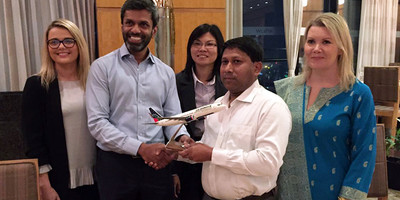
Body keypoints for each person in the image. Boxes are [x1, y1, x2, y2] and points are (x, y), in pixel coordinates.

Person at [85, 0, 192, 199]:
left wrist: (180, 137)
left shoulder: (166, 73)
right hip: (115, 167)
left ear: (154, 30)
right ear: (122, 26)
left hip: (157, 166)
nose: (135, 29)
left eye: (143, 24)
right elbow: (97, 123)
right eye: (129, 23)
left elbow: (172, 119)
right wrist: (141, 149)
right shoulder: (101, 68)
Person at [274, 13, 377, 200]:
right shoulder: (286, 89)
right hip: (284, 193)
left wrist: (348, 197)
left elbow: (365, 154)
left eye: (326, 42)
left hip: (332, 193)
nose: (316, 48)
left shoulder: (358, 94)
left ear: (341, 48)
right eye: (311, 41)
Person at [179, 36, 292, 200]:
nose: (227, 69)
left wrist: (211, 154)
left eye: (237, 61)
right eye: (224, 62)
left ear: (256, 68)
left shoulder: (271, 106)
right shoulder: (218, 105)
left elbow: (268, 162)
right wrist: (180, 152)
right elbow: (207, 150)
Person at [21, 19, 98, 200]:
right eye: (54, 42)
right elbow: (33, 141)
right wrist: (44, 184)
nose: (61, 46)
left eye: (68, 40)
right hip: (59, 181)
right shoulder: (37, 85)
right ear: (47, 47)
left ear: (79, 44)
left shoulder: (95, 82)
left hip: (98, 178)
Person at [174, 23, 227, 200]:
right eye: (197, 43)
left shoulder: (229, 85)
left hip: (219, 157)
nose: (202, 49)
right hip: (186, 157)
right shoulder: (175, 82)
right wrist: (173, 171)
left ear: (219, 48)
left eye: (210, 44)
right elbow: (170, 125)